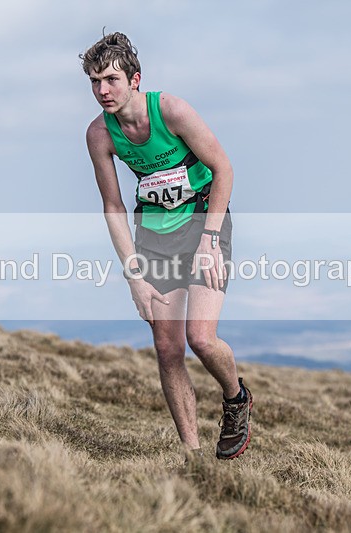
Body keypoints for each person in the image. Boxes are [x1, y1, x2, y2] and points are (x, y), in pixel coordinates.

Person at [80, 32, 252, 460]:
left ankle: (236, 398)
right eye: (95, 81)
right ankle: (192, 457)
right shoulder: (100, 135)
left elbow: (223, 168)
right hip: (155, 234)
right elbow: (113, 205)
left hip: (203, 223)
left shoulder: (171, 111)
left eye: (111, 80)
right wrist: (133, 276)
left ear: (135, 79)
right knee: (167, 346)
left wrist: (210, 240)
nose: (103, 90)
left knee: (200, 338)